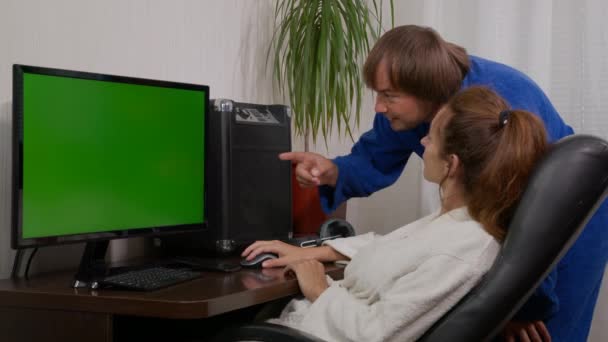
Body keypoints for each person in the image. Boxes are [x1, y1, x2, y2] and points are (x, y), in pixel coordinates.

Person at [279, 25, 608, 342]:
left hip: (570, 221)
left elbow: (532, 213)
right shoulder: (411, 100)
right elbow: (373, 158)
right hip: (505, 214)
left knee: (542, 332)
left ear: (427, 93)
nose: (379, 106)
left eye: (388, 95)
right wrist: (332, 171)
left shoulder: (496, 103)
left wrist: (517, 302)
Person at [242, 86, 549, 341]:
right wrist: (309, 252)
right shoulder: (456, 221)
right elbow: (392, 247)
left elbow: (376, 335)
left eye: (431, 137)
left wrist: (320, 289)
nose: (422, 142)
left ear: (451, 164)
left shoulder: (464, 249)